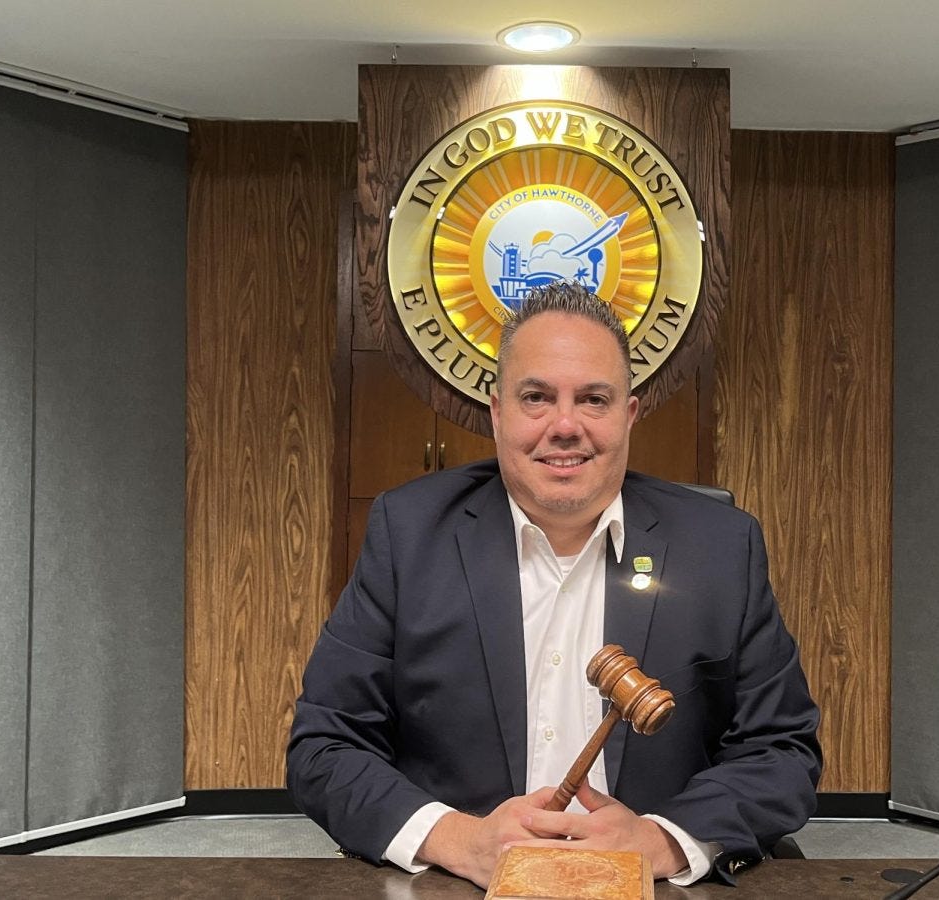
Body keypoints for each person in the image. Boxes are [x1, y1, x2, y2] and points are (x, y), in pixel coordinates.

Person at [287, 282, 822, 888]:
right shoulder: (409, 535)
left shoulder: (720, 549)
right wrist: (457, 839)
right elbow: (324, 746)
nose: (564, 426)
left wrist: (663, 841)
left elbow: (781, 751)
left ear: (629, 414)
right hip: (462, 885)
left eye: (593, 399)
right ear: (497, 413)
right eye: (536, 397)